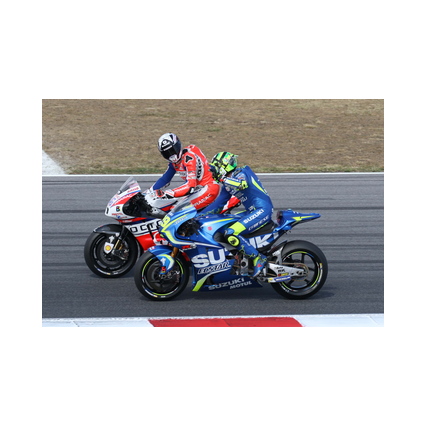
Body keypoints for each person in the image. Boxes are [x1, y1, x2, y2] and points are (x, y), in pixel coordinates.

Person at [200, 152, 274, 278]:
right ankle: (238, 259)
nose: (214, 172)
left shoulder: (241, 173)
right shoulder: (227, 186)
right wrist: (198, 216)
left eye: (216, 168)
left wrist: (223, 179)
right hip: (252, 211)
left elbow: (241, 184)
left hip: (262, 210)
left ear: (224, 167)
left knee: (231, 233)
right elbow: (218, 205)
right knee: (221, 227)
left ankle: (258, 258)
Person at [150, 133, 220, 211]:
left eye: (173, 151)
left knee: (176, 211)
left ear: (178, 146)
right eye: (167, 153)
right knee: (168, 207)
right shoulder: (174, 163)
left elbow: (190, 186)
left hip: (208, 188)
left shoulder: (189, 158)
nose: (172, 155)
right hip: (197, 190)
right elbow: (165, 179)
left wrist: (168, 193)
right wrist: (148, 192)